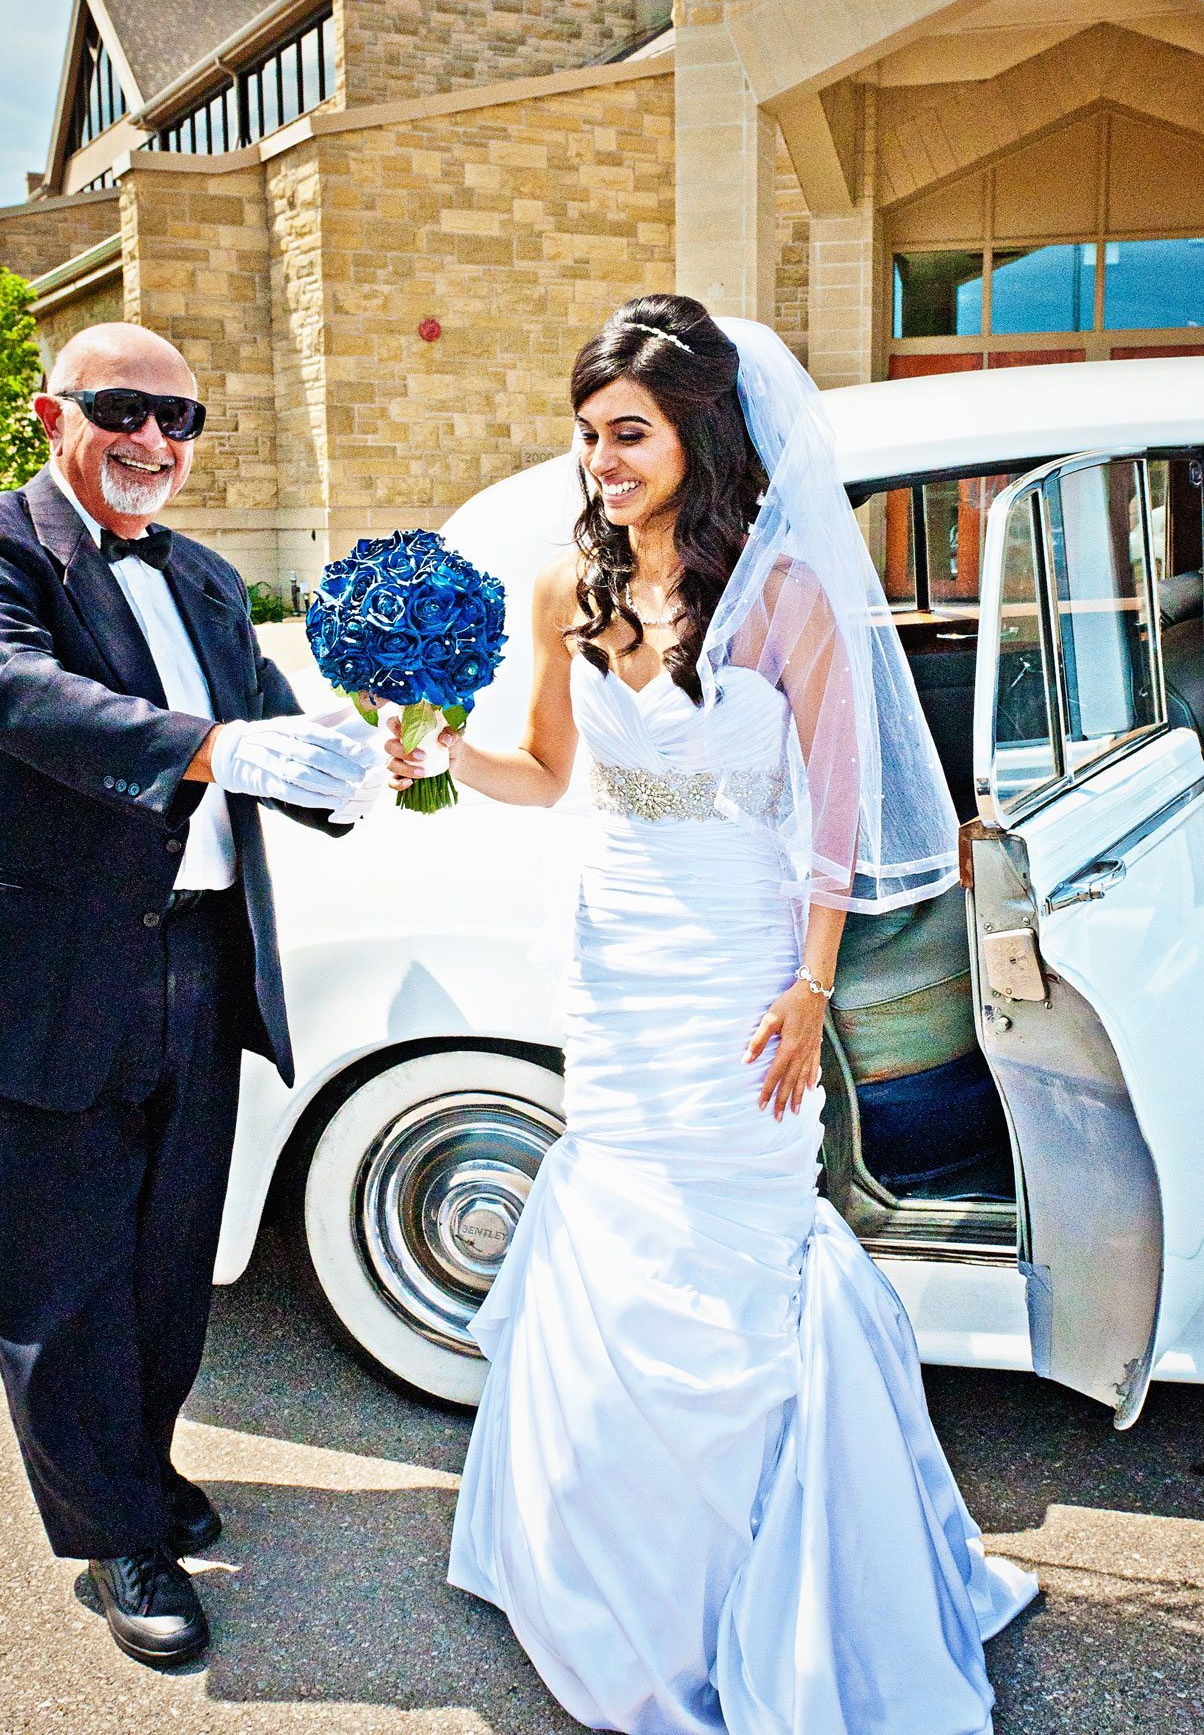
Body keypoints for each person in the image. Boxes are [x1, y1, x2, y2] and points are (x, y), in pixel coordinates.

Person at [388, 295, 1038, 1733]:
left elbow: (838, 810)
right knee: (615, 1228)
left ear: (698, 433)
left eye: (630, 432)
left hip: (744, 964)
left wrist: (810, 985)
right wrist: (435, 752)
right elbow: (549, 772)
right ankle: (624, 1569)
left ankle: (763, 1567)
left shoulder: (789, 587)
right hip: (618, 964)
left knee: (743, 1247)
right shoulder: (571, 588)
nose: (603, 459)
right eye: (589, 434)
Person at [0, 322, 378, 1669]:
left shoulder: (210, 578)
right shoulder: (8, 548)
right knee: (68, 1274)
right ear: (56, 413)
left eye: (182, 419)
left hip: (208, 964)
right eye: (124, 409)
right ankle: (114, 1538)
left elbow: (285, 730)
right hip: (56, 973)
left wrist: (362, 755)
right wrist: (220, 746)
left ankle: (137, 1471)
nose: (157, 442)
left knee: (169, 1265)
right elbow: (22, 696)